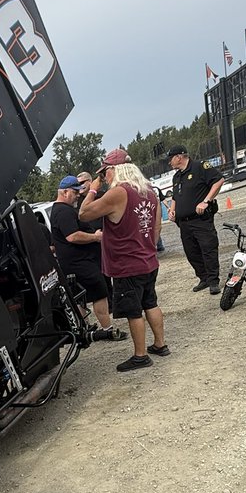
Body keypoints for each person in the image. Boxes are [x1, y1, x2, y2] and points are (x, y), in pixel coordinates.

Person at [79, 147, 168, 372]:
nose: (104, 177)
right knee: (151, 302)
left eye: (104, 172)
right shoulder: (148, 190)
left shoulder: (119, 192)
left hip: (127, 264)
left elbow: (84, 214)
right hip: (147, 260)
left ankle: (140, 356)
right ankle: (160, 344)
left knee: (133, 310)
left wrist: (92, 189)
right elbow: (156, 227)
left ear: (114, 169)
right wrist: (147, 247)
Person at [50, 175, 124, 341]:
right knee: (99, 293)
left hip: (73, 263)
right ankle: (108, 330)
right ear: (65, 192)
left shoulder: (59, 210)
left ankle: (86, 329)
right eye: (75, 192)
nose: (78, 195)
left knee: (80, 297)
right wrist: (96, 237)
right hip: (80, 262)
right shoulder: (63, 211)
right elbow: (72, 236)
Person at [166, 145, 223, 294]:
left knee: (208, 249)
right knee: (191, 252)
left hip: (200, 219)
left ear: (179, 157)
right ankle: (203, 278)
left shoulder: (199, 167)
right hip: (184, 222)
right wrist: (172, 210)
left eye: (171, 159)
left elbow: (218, 181)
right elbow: (175, 196)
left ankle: (213, 281)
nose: (169, 162)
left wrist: (206, 201)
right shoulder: (177, 176)